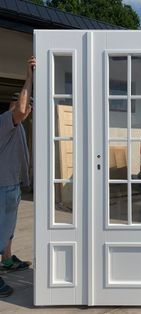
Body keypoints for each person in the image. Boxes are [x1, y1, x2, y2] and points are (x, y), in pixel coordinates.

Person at [0, 56, 36, 297]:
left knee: (8, 229)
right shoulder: (5, 121)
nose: (28, 109)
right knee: (0, 230)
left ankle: (8, 260)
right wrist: (29, 77)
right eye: (25, 103)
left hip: (11, 186)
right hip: (2, 187)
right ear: (14, 105)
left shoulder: (17, 127)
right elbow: (22, 110)